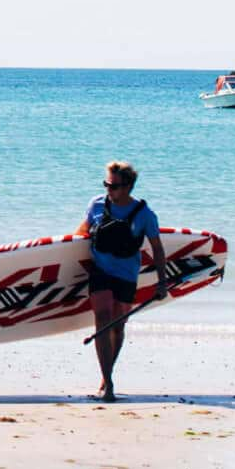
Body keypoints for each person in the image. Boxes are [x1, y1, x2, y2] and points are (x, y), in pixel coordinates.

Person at [73, 159, 168, 402]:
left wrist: (162, 282)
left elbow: (157, 249)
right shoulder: (96, 205)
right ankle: (109, 384)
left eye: (113, 186)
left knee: (117, 326)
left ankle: (106, 377)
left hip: (126, 274)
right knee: (103, 318)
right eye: (106, 184)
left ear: (127, 186)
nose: (108, 189)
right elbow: (81, 233)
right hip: (100, 272)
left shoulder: (145, 214)